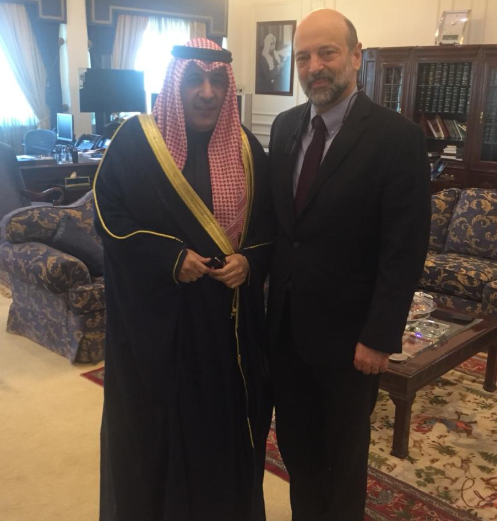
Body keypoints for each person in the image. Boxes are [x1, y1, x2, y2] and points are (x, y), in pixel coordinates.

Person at [94, 38, 274, 521]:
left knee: (223, 429)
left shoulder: (248, 148)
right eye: (195, 80)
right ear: (175, 84)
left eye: (217, 81)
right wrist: (169, 257)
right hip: (161, 328)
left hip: (228, 329)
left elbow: (270, 228)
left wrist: (249, 262)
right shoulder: (136, 141)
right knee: (159, 434)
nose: (207, 92)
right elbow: (109, 218)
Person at [267, 9, 431, 521]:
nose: (314, 66)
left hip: (351, 344)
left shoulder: (397, 139)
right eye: (303, 57)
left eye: (327, 53)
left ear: (356, 57)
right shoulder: (284, 127)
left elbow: (404, 249)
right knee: (298, 451)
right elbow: (281, 228)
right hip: (286, 333)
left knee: (341, 461)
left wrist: (380, 337)